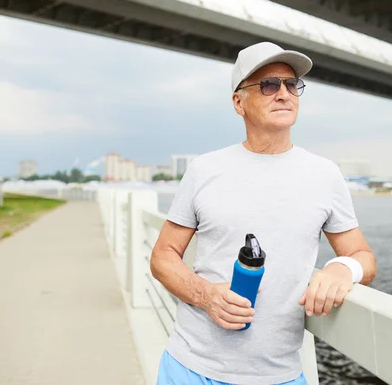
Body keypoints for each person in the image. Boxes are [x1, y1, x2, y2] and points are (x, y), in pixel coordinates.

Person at [151, 41, 377, 385]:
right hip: (191, 367)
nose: (284, 93)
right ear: (238, 102)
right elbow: (163, 256)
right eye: (269, 84)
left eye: (292, 85)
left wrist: (341, 269)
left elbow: (363, 256)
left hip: (279, 376)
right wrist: (206, 295)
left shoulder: (324, 174)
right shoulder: (204, 169)